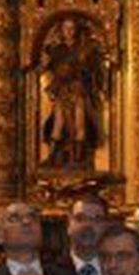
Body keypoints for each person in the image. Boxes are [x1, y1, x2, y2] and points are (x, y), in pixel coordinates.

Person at [40, 17, 108, 170]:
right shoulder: (58, 50)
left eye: (72, 28)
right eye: (66, 28)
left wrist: (86, 70)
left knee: (79, 121)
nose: (69, 32)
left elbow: (93, 70)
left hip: (78, 88)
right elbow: (50, 68)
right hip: (62, 88)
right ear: (62, 31)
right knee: (58, 121)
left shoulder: (83, 48)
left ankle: (79, 157)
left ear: (76, 30)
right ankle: (52, 154)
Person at [55, 193, 107, 275]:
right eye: (80, 218)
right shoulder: (51, 273)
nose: (88, 225)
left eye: (97, 219)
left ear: (106, 227)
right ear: (68, 225)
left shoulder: (117, 270)